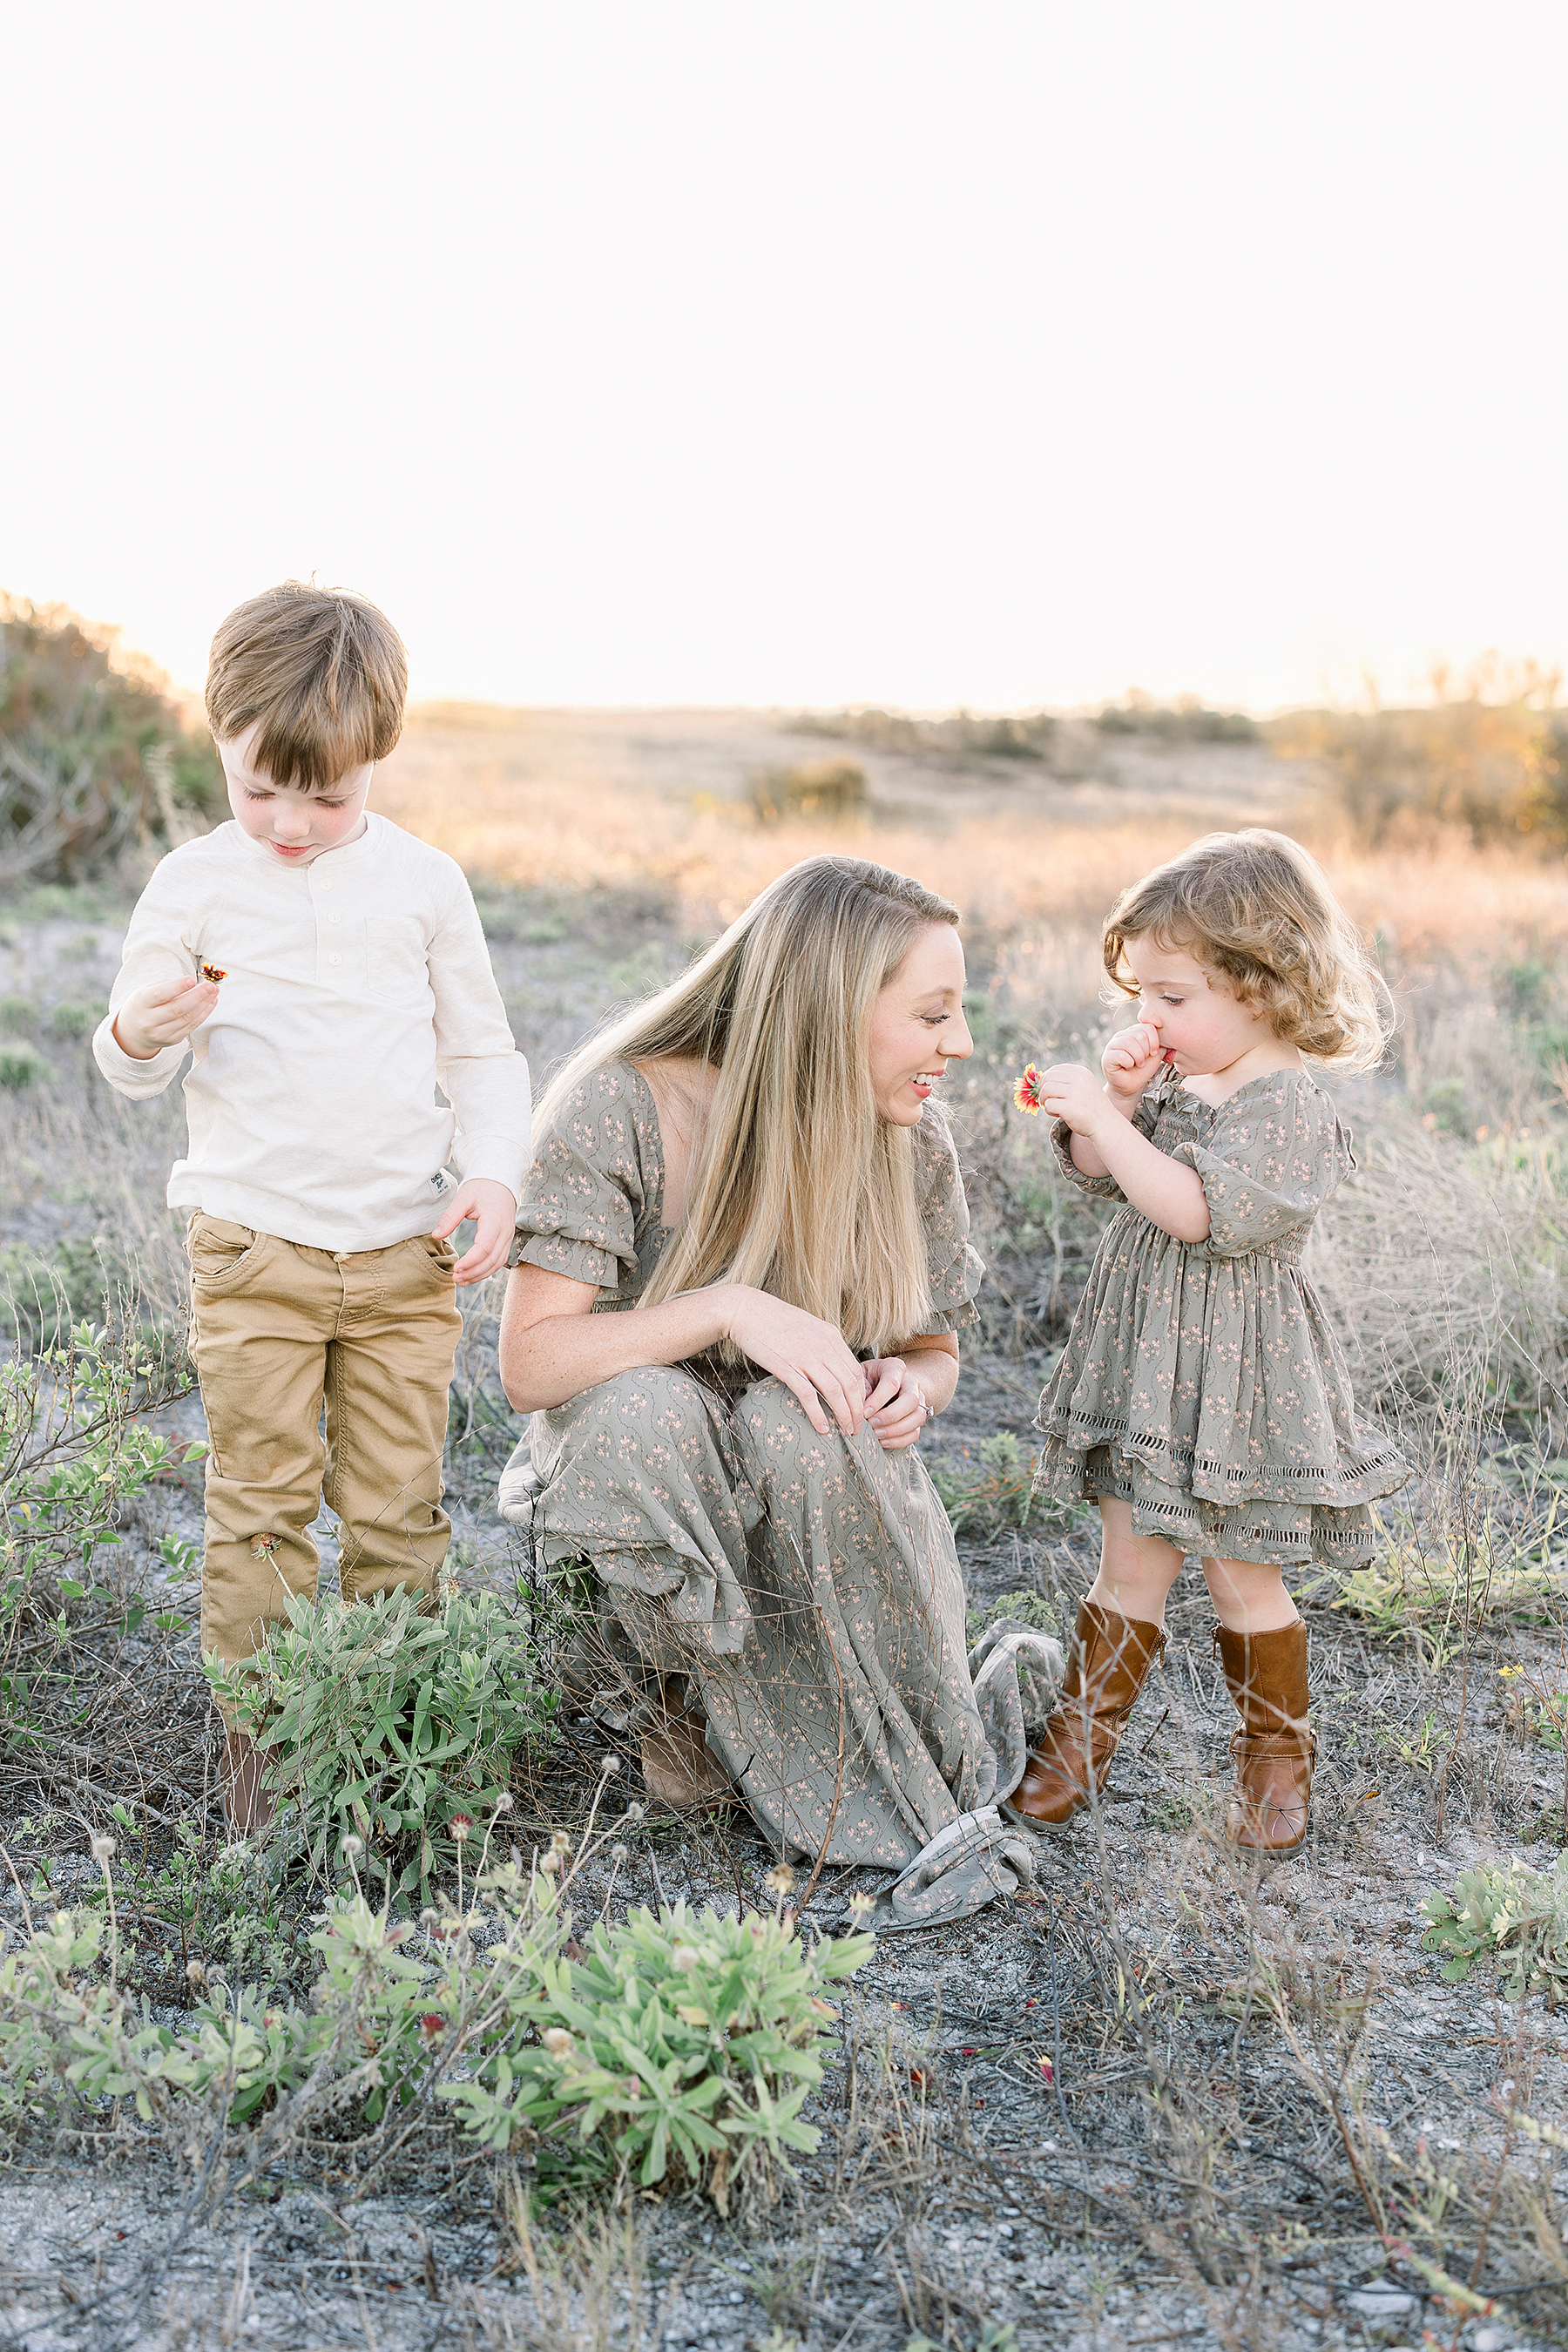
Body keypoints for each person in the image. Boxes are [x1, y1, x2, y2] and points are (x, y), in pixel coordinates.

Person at [496, 855, 1058, 1930]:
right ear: (832, 1006)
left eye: (961, 1013)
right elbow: (533, 1366)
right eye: (934, 1014)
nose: (964, 1045)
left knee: (805, 1422)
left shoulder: (903, 1137)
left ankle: (838, 1754)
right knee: (644, 1412)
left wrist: (915, 1387)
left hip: (797, 1507)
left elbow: (933, 1346)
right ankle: (672, 1706)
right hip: (640, 1510)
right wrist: (724, 1308)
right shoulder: (628, 1104)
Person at [93, 583, 531, 1833]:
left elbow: (482, 1056)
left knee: (401, 1507)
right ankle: (265, 1767)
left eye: (327, 795)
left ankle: (396, 1756)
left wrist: (493, 1173)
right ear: (219, 740)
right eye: (259, 788)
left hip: (403, 1252)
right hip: (253, 1246)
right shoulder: (192, 884)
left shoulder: (426, 885)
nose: (290, 822)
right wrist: (143, 1028)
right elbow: (126, 1060)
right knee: (261, 1504)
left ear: (377, 755)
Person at [1016, 829, 1407, 1853]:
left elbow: (1195, 1214)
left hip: (1242, 1377)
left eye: (1173, 997)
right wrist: (1124, 1105)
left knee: (1241, 1569)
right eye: (1139, 993)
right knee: (1129, 1555)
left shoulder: (1289, 1107)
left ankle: (1275, 1770)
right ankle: (1073, 1754)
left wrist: (1115, 1114)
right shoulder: (1189, 1079)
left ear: (1266, 987)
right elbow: (1104, 1175)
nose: (1150, 1016)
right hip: (1149, 1362)